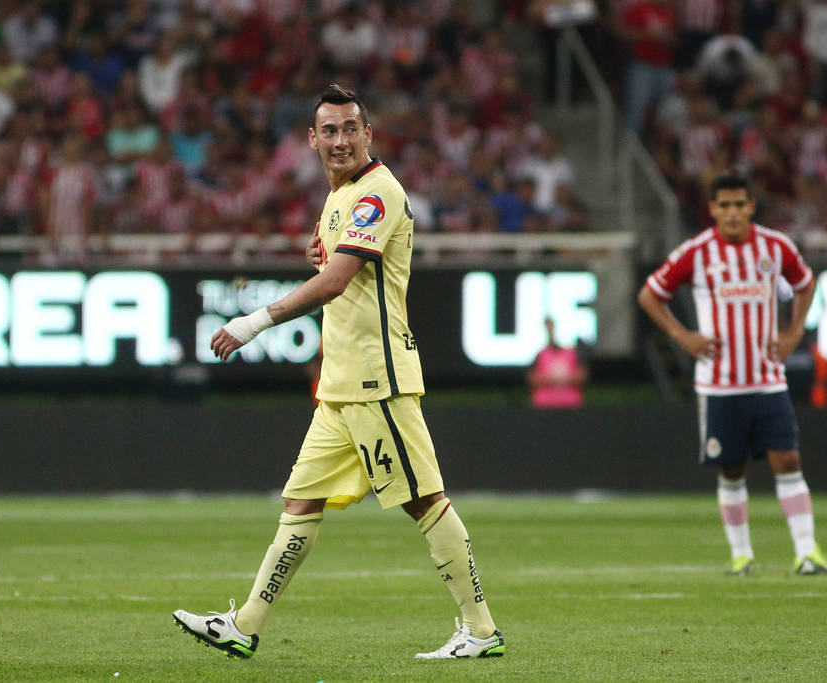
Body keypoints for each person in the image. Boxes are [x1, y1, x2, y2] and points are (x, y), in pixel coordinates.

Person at [172, 84, 504, 661]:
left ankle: (480, 630)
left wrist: (254, 322)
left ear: (368, 134)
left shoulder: (377, 192)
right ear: (311, 139)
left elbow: (336, 280)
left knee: (423, 500)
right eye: (329, 130)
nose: (341, 139)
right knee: (301, 502)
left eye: (351, 128)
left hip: (377, 377)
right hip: (341, 386)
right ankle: (244, 624)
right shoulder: (342, 196)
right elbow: (336, 260)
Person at [637, 169, 827, 577]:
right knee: (732, 468)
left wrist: (793, 331)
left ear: (750, 206)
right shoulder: (696, 252)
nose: (732, 213)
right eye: (723, 205)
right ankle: (742, 556)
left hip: (768, 380)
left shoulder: (775, 246)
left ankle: (806, 552)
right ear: (713, 209)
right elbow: (650, 295)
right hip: (719, 385)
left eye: (739, 204)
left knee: (788, 458)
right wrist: (684, 337)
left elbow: (805, 282)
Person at [526, 317, 588, 409]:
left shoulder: (572, 353)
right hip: (544, 405)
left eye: (551, 327)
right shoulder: (540, 354)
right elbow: (532, 377)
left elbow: (582, 375)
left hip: (570, 403)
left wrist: (563, 378)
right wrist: (552, 379)